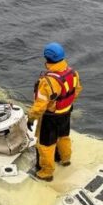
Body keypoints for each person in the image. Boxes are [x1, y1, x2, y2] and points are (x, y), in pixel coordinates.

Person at [27, 42, 80, 182]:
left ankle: (46, 173)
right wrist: (65, 104)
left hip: (51, 118)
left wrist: (31, 118)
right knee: (64, 137)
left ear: (47, 58)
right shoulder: (73, 73)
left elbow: (39, 106)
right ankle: (65, 159)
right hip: (66, 113)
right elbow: (77, 90)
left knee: (46, 145)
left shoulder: (47, 81)